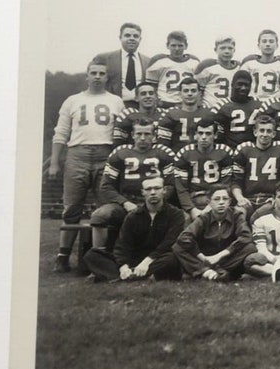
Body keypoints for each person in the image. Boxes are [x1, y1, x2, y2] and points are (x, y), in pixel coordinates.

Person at [49, 60, 125, 270]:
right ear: (87, 75)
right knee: (72, 207)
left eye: (102, 73)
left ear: (107, 77)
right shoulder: (72, 100)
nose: (98, 76)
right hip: (78, 155)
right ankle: (62, 256)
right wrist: (55, 162)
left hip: (106, 154)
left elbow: (122, 131)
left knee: (105, 208)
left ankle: (101, 255)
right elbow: (61, 132)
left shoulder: (116, 101)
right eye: (94, 73)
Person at [89, 118, 176, 249]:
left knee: (180, 219)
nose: (142, 138)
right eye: (139, 134)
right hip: (127, 202)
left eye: (147, 134)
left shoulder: (163, 153)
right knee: (99, 216)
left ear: (154, 136)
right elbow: (106, 186)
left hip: (155, 203)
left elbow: (171, 185)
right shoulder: (120, 153)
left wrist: (157, 202)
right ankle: (98, 257)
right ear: (132, 135)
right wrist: (125, 203)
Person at [82, 172, 186, 282]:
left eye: (157, 188)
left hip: (158, 258)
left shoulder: (176, 214)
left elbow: (169, 243)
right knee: (91, 255)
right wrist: (123, 266)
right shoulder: (133, 216)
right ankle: (133, 275)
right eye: (148, 189)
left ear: (164, 190)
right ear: (142, 192)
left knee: (172, 259)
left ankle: (121, 277)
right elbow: (122, 244)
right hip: (135, 259)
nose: (153, 192)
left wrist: (147, 262)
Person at [171, 185, 257, 281]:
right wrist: (202, 257)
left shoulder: (236, 215)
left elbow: (246, 236)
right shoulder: (204, 218)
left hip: (227, 258)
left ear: (229, 202)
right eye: (216, 199)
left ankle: (215, 272)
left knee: (250, 247)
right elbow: (184, 237)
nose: (221, 202)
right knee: (177, 247)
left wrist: (220, 256)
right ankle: (208, 272)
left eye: (225, 199)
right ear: (209, 202)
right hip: (206, 258)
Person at [229, 112, 280, 218]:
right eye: (262, 130)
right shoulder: (244, 149)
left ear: (274, 134)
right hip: (248, 199)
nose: (265, 134)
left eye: (269, 131)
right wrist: (240, 198)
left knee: (266, 212)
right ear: (255, 132)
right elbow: (236, 181)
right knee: (238, 214)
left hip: (271, 199)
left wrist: (278, 198)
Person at [173, 119, 236, 219]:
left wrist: (210, 207)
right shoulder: (184, 153)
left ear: (215, 135)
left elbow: (225, 185)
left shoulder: (224, 152)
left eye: (208, 134)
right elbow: (181, 188)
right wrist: (191, 210)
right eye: (200, 133)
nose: (203, 137)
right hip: (193, 199)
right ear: (195, 135)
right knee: (185, 219)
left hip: (217, 200)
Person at [93, 22, 149, 107]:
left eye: (135, 36)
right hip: (113, 106)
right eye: (127, 35)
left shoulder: (148, 61)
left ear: (140, 39)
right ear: (120, 37)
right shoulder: (104, 58)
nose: (132, 38)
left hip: (140, 107)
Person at [157, 76, 219, 150]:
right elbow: (164, 144)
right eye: (186, 91)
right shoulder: (170, 114)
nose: (189, 94)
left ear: (200, 93)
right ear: (180, 93)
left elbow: (217, 141)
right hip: (177, 156)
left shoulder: (209, 114)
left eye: (193, 91)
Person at [144, 30, 200, 106]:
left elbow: (198, 87)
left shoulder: (194, 62)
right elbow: (150, 86)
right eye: (173, 45)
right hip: (164, 102)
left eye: (180, 45)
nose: (177, 49)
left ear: (186, 46)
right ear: (167, 45)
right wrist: (157, 101)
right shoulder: (158, 61)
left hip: (185, 104)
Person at [214, 70, 264, 149]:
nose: (243, 88)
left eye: (246, 85)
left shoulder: (259, 105)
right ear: (232, 85)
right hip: (230, 150)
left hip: (253, 151)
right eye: (240, 84)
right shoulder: (221, 106)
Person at [240, 29, 280, 100]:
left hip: (276, 102)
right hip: (253, 102)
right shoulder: (249, 64)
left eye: (271, 41)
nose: (268, 44)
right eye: (264, 41)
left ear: (277, 45)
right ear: (258, 45)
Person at [195, 36, 242, 108]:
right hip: (210, 109)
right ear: (215, 50)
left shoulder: (239, 68)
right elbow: (197, 90)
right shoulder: (208, 67)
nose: (227, 51)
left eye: (230, 48)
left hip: (231, 110)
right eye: (222, 48)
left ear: (234, 50)